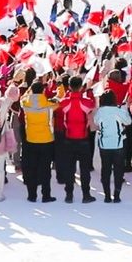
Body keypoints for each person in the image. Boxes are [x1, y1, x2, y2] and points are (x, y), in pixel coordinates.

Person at [55, 75, 97, 203]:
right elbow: (93, 104)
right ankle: (86, 195)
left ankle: (69, 195)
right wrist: (88, 92)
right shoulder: (86, 102)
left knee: (69, 168)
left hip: (69, 138)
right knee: (85, 169)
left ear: (69, 86)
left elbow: (60, 103)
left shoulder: (65, 102)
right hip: (83, 139)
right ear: (80, 87)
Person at [20, 81, 58, 203]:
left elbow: (22, 97)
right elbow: (59, 102)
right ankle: (46, 195)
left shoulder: (25, 103)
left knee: (32, 168)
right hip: (46, 139)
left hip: (31, 139)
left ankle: (32, 195)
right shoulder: (49, 105)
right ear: (43, 91)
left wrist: (29, 91)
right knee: (45, 169)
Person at [94, 90, 132, 203]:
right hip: (118, 143)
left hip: (104, 144)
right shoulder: (118, 111)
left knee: (105, 169)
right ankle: (117, 195)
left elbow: (96, 123)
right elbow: (128, 122)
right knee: (118, 170)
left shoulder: (99, 112)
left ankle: (106, 195)